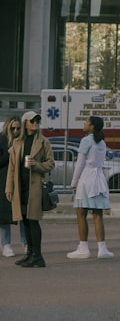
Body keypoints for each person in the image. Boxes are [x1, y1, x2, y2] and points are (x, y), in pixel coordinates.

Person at [5, 111, 55, 267]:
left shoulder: (43, 142)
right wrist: (9, 188)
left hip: (35, 188)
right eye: (32, 120)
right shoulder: (17, 143)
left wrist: (36, 165)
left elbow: (51, 164)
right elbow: (12, 168)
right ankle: (29, 253)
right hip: (21, 187)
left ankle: (38, 256)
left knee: (33, 221)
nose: (35, 123)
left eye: (37, 120)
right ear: (25, 122)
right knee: (24, 221)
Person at [67, 115, 114, 259]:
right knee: (97, 215)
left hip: (86, 179)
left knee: (81, 214)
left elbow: (80, 163)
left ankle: (83, 247)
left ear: (92, 126)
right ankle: (102, 248)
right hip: (99, 179)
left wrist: (74, 182)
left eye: (86, 122)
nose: (84, 123)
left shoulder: (86, 140)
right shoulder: (102, 142)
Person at [0, 116, 26, 258]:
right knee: (4, 215)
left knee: (23, 213)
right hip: (3, 181)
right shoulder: (2, 140)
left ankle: (26, 242)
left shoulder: (23, 140)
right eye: (13, 128)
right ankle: (6, 244)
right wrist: (8, 154)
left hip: (20, 181)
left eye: (18, 128)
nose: (15, 131)